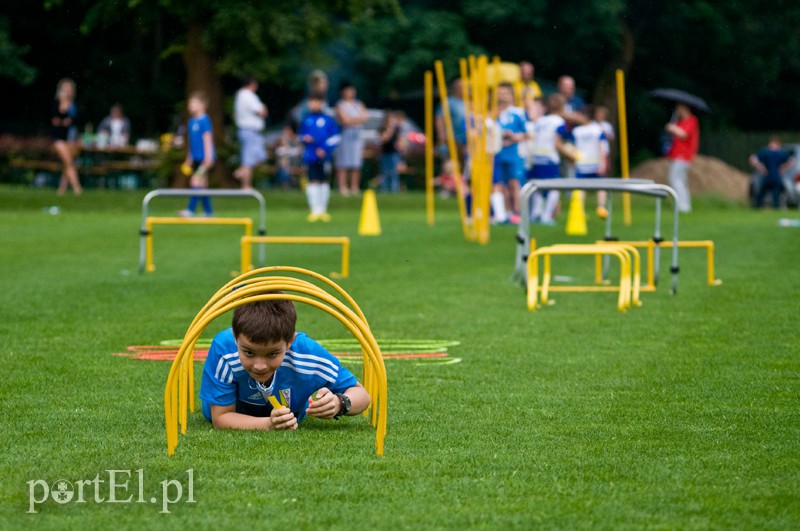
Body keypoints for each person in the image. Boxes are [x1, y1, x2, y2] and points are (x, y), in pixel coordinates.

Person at [199, 297, 371, 431]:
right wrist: (268, 424)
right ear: (235, 337)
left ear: (290, 342)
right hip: (235, 413)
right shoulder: (225, 350)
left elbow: (362, 395)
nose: (260, 365)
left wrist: (339, 403)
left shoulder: (307, 354)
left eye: (272, 353)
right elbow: (221, 418)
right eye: (249, 352)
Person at [527, 93, 574, 225]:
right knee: (554, 188)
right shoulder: (558, 122)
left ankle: (535, 214)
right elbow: (557, 142)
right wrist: (571, 155)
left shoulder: (541, 120)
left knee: (538, 187)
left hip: (536, 157)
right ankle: (546, 216)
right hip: (549, 158)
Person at [490, 82, 527, 224]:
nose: (502, 96)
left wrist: (513, 137)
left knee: (514, 183)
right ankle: (503, 214)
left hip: (513, 153)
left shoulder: (517, 113)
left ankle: (517, 212)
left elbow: (526, 133)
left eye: (505, 93)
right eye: (499, 93)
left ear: (511, 95)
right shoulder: (493, 113)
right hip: (497, 153)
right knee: (499, 183)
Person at [300, 92, 340, 222]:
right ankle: (314, 210)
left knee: (324, 180)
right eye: (311, 102)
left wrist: (324, 148)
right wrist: (305, 139)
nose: (313, 104)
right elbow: (300, 135)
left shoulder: (328, 120)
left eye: (316, 101)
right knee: (312, 180)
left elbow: (336, 137)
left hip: (324, 157)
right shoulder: (306, 119)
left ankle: (323, 210)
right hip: (310, 156)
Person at [179, 92, 215, 217]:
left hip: (206, 159)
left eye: (193, 103)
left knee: (195, 180)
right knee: (203, 185)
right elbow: (192, 143)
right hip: (197, 158)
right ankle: (208, 212)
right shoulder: (191, 122)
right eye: (190, 103)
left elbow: (207, 140)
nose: (190, 106)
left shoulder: (205, 120)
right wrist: (189, 159)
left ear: (202, 105)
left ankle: (190, 210)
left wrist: (208, 157)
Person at [570, 109, 610, 219]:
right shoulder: (597, 129)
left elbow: (572, 147)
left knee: (581, 188)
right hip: (595, 162)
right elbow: (602, 146)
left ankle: (580, 210)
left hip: (581, 163)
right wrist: (603, 163)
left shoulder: (576, 131)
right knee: (601, 186)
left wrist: (573, 160)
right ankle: (601, 208)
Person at [233, 76, 268, 190]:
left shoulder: (239, 95)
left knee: (256, 157)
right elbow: (262, 111)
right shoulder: (249, 96)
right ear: (252, 84)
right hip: (251, 131)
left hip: (244, 130)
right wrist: (264, 108)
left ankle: (242, 174)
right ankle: (245, 184)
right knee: (250, 159)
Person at [334, 81, 369, 196]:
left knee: (356, 163)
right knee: (343, 163)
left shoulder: (359, 104)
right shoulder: (340, 105)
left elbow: (365, 117)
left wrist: (352, 120)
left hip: (356, 137)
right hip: (345, 137)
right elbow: (345, 121)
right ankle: (343, 187)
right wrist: (357, 119)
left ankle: (354, 187)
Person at [664, 103, 700, 213]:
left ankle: (682, 206)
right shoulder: (680, 122)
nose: (677, 111)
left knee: (675, 179)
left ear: (684, 108)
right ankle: (684, 205)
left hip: (684, 155)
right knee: (679, 180)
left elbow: (684, 134)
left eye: (678, 108)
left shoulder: (692, 120)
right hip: (676, 154)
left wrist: (673, 128)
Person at [50, 78, 82, 195]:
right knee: (69, 163)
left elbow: (74, 122)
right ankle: (77, 188)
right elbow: (56, 121)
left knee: (66, 164)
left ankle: (61, 190)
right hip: (58, 139)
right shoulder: (56, 104)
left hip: (71, 138)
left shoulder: (74, 105)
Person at [749, 136, 795, 209]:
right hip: (777, 176)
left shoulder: (766, 152)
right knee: (776, 194)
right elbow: (791, 161)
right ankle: (775, 208)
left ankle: (757, 207)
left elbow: (752, 159)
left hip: (768, 176)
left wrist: (761, 168)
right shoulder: (782, 153)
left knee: (762, 193)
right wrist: (782, 168)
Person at [379, 110, 402, 193]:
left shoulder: (397, 129)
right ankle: (384, 189)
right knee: (385, 172)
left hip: (394, 153)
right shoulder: (383, 129)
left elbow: (399, 141)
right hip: (385, 153)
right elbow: (383, 139)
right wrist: (390, 130)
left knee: (394, 173)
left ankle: (394, 190)